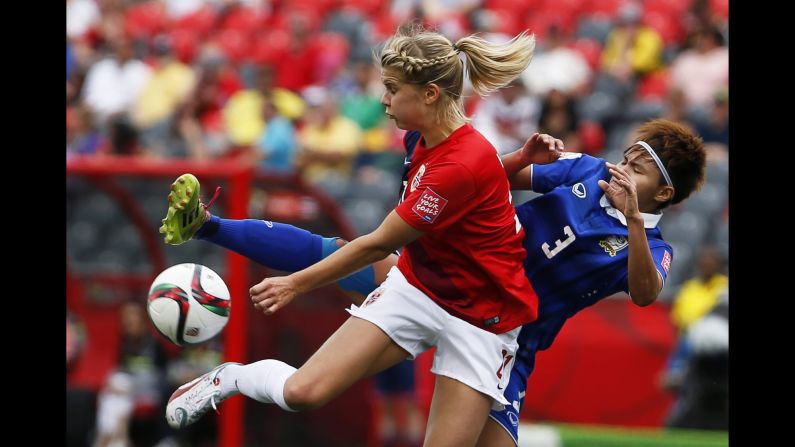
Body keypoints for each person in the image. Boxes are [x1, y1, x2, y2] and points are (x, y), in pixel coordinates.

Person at [159, 117, 706, 445]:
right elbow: (494, 177)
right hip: (454, 276)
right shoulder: (586, 170)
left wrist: (633, 222)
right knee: (353, 258)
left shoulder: (651, 247)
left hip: (505, 338)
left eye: (638, 170)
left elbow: (644, 293)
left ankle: (211, 230)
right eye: (626, 157)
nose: (620, 170)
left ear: (664, 196)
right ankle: (210, 228)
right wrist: (522, 157)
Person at [162, 24, 541, 446]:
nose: (383, 100)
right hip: (420, 287)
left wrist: (295, 283)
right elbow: (472, 175)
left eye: (393, 89)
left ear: (430, 94)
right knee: (302, 392)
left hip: (483, 319)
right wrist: (512, 160)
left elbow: (380, 242)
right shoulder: (424, 136)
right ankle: (229, 378)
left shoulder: (459, 163)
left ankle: (210, 227)